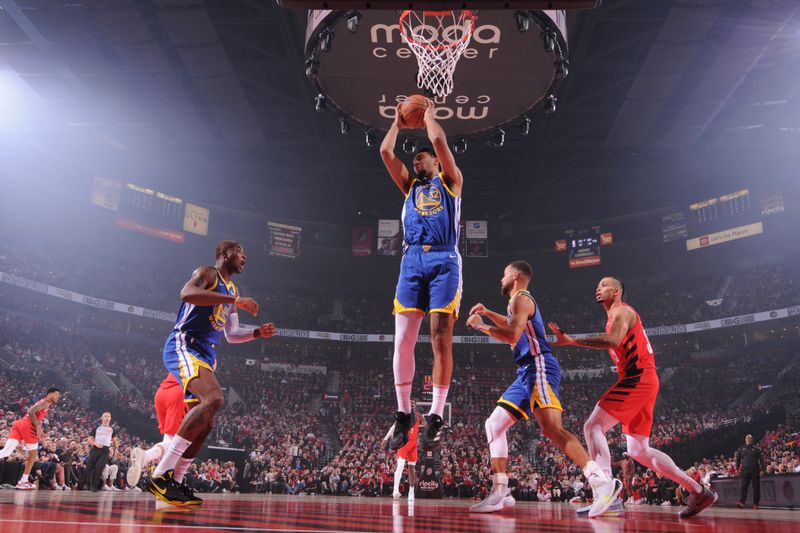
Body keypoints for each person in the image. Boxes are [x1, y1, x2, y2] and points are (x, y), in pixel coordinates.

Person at [548, 276, 717, 518]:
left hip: (638, 377)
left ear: (617, 291)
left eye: (604, 285)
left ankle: (605, 492)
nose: (598, 287)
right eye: (597, 285)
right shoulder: (613, 316)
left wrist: (573, 340)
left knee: (593, 426)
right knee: (638, 450)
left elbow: (613, 341)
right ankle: (699, 491)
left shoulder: (622, 312)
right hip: (643, 379)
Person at [465, 261, 618, 515]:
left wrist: (479, 325)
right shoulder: (517, 303)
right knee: (494, 424)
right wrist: (489, 314)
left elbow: (513, 335)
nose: (500, 279)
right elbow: (514, 324)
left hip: (538, 367)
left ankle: (601, 481)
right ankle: (500, 492)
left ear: (515, 276)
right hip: (525, 372)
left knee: (551, 428)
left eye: (503, 275)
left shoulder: (521, 299)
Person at [147, 240, 277, 506]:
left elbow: (230, 334)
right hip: (184, 344)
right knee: (215, 399)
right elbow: (186, 293)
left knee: (206, 425)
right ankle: (160, 475)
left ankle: (176, 482)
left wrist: (256, 333)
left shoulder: (233, 289)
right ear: (224, 254)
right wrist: (234, 300)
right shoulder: (208, 273)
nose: (245, 256)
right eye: (240, 251)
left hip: (207, 354)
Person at [380, 99, 463, 451]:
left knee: (440, 338)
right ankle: (403, 414)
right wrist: (398, 123)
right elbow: (386, 151)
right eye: (415, 157)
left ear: (435, 162)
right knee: (403, 341)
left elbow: (441, 143)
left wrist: (428, 116)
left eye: (423, 156)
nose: (418, 158)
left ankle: (437, 414)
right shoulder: (409, 187)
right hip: (412, 260)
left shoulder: (451, 182)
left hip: (444, 259)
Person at [0, 387, 60, 490]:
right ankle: (23, 481)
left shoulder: (44, 402)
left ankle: (23, 481)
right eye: (56, 394)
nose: (57, 397)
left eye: (58, 396)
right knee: (33, 454)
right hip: (28, 426)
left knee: (6, 451)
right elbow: (31, 411)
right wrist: (37, 427)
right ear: (50, 394)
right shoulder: (46, 402)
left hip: (19, 424)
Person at [381, 400, 423, 501]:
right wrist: (385, 439)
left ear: (415, 406)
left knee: (412, 468)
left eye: (413, 404)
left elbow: (426, 425)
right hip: (404, 444)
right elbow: (394, 427)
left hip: (413, 445)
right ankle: (395, 490)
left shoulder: (419, 416)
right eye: (410, 404)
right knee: (400, 466)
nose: (411, 405)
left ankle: (411, 492)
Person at [87, 411, 118, 492]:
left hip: (105, 450)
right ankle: (86, 484)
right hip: (95, 449)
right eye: (105, 416)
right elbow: (89, 440)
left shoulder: (112, 429)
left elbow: (115, 440)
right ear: (102, 418)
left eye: (109, 416)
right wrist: (95, 443)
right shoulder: (96, 428)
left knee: (100, 467)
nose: (107, 417)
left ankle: (95, 486)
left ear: (110, 418)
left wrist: (115, 448)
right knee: (90, 467)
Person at [735, 434, 764, 509]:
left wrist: (762, 470)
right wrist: (737, 469)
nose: (748, 439)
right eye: (747, 438)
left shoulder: (756, 449)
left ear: (752, 439)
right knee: (743, 487)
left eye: (749, 438)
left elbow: (761, 460)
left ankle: (756, 504)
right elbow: (738, 459)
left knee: (756, 487)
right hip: (745, 470)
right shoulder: (741, 448)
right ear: (745, 439)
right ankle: (742, 502)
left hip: (755, 470)